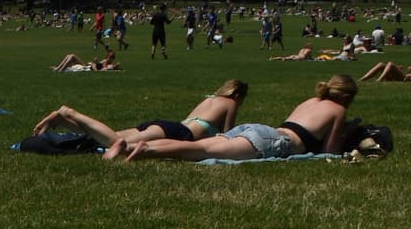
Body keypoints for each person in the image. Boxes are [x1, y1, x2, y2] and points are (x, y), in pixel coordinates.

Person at [126, 74, 358, 163]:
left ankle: (132, 146)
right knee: (200, 152)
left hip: (261, 130)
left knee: (195, 146)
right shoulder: (338, 111)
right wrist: (346, 134)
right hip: (273, 142)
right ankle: (144, 151)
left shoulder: (311, 100)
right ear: (346, 98)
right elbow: (331, 150)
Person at [31, 81, 248, 160]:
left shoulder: (210, 98)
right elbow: (227, 133)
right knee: (116, 141)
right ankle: (71, 113)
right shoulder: (230, 103)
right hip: (178, 133)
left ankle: (63, 121)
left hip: (168, 125)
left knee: (104, 139)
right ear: (237, 95)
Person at [51, 51, 118, 73]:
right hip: (87, 65)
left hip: (87, 67)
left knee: (72, 56)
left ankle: (59, 70)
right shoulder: (105, 61)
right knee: (70, 55)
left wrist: (93, 64)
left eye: (113, 57)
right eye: (111, 57)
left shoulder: (108, 64)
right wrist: (94, 62)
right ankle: (58, 68)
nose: (112, 58)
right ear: (107, 56)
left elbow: (99, 70)